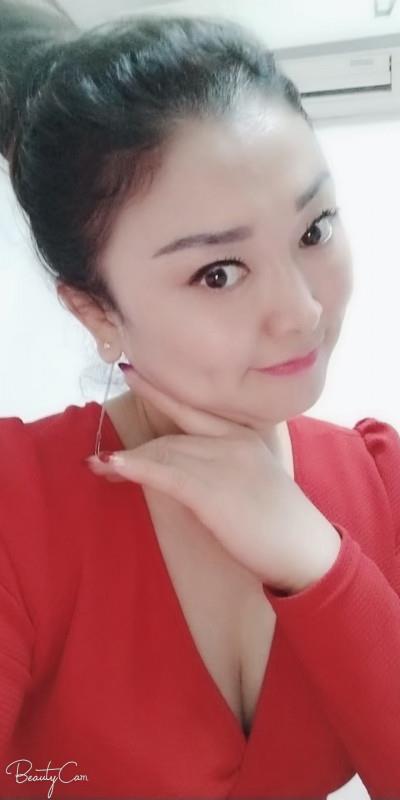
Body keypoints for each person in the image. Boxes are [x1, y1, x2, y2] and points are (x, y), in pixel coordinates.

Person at [0, 2, 399, 798]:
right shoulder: (19, 509)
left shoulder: (381, 484)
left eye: (314, 229)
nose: (302, 313)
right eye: (218, 272)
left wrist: (319, 563)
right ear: (96, 311)